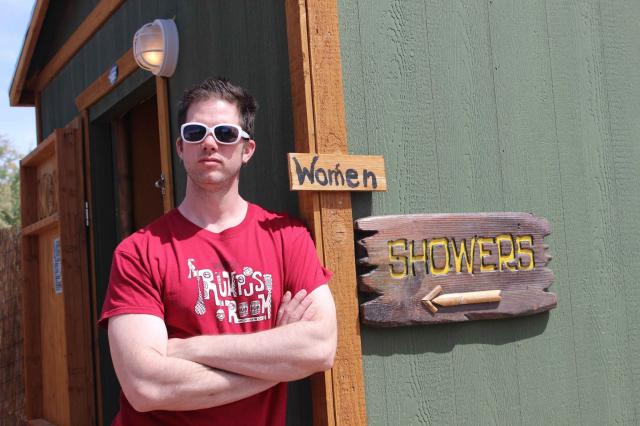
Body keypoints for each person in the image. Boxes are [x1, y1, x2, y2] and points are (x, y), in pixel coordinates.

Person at [99, 77, 337, 425]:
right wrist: (280, 363)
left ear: (247, 150)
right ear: (181, 147)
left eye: (225, 134)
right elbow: (146, 386)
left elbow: (320, 348)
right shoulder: (139, 252)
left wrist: (189, 348)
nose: (209, 143)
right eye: (196, 133)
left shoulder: (287, 237)